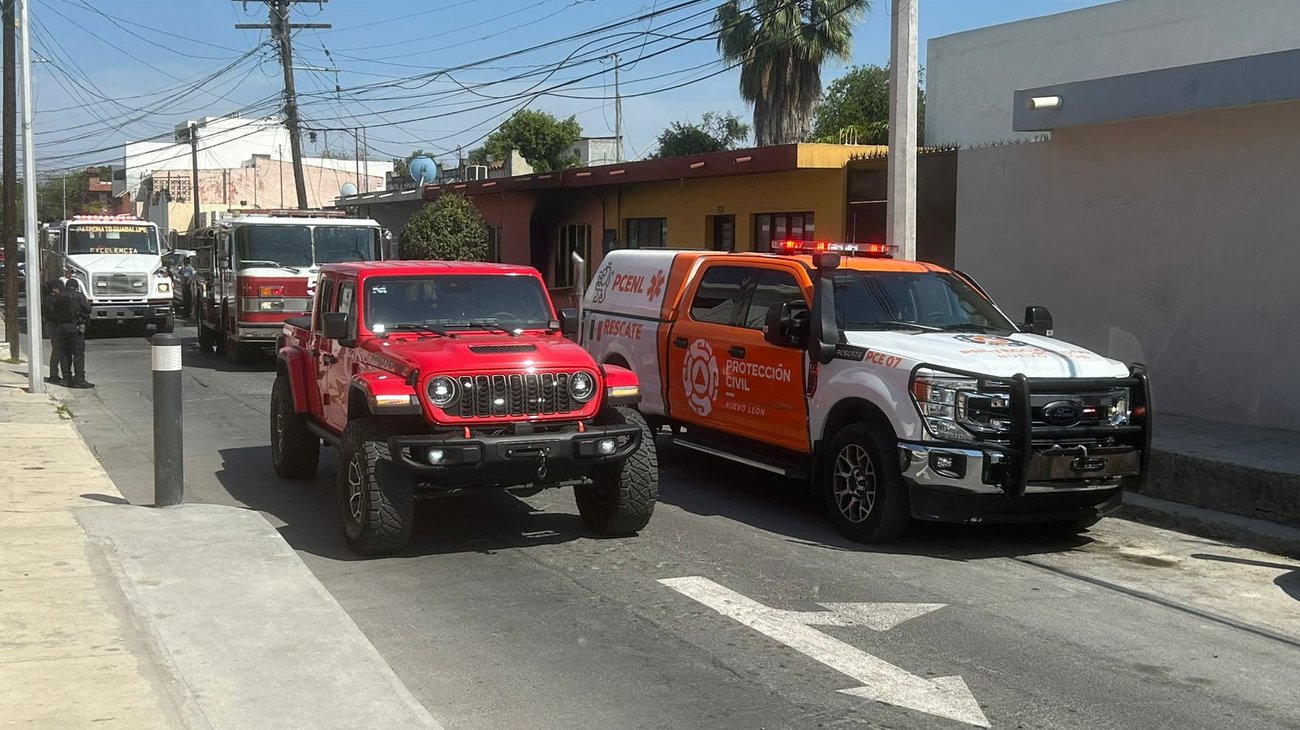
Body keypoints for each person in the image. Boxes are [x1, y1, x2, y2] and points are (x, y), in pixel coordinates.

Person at [51, 278, 93, 389]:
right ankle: (79, 379)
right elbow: (88, 309)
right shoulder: (79, 296)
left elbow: (54, 312)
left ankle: (66, 379)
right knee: (78, 354)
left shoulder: (58, 297)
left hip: (61, 327)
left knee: (64, 353)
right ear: (76, 286)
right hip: (74, 327)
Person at [41, 279, 66, 385]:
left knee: (58, 350)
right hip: (52, 325)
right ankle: (54, 375)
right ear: (54, 289)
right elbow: (53, 313)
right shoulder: (49, 300)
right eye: (59, 289)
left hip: (54, 325)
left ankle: (55, 374)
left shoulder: (53, 299)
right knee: (57, 350)